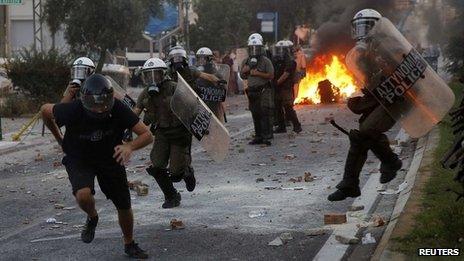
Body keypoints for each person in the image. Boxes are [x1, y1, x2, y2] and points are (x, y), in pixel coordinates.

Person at [40, 74, 153, 259]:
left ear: (110, 98)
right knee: (83, 195)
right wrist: (58, 138)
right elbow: (45, 110)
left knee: (124, 204)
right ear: (84, 100)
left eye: (103, 104)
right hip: (79, 158)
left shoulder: (118, 108)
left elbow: (147, 134)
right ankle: (93, 217)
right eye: (94, 105)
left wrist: (129, 146)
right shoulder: (73, 109)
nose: (99, 109)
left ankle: (129, 243)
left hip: (110, 158)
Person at [328, 9, 402, 201]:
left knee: (363, 133)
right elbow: (372, 83)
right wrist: (363, 101)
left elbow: (391, 76)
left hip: (399, 98)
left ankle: (354, 181)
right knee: (364, 133)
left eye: (368, 27)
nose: (363, 32)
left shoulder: (388, 47)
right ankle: (384, 165)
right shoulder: (367, 51)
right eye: (360, 27)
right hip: (386, 98)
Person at [134, 58, 196, 209]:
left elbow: (193, 106)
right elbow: (135, 112)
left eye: (156, 74)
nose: (152, 78)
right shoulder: (146, 94)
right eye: (149, 75)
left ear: (164, 74)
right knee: (157, 166)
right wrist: (125, 126)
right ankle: (171, 196)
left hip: (179, 134)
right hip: (162, 133)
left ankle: (187, 170)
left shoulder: (174, 88)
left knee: (175, 174)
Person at [240, 37, 275, 146]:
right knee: (255, 114)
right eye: (252, 48)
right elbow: (242, 76)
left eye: (257, 48)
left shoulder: (266, 61)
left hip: (263, 90)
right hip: (252, 91)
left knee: (265, 113)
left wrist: (258, 73)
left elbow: (271, 75)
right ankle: (258, 136)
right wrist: (244, 71)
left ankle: (266, 136)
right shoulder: (246, 61)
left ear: (261, 48)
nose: (254, 50)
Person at [272, 40, 302, 134]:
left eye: (283, 50)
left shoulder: (291, 62)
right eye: (279, 49)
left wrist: (276, 83)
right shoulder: (276, 60)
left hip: (286, 88)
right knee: (278, 107)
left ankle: (297, 125)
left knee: (288, 107)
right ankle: (281, 127)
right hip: (277, 87)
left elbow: (286, 74)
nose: (280, 51)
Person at [195, 47, 227, 122]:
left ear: (209, 59)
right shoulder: (196, 73)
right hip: (199, 104)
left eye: (203, 58)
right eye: (199, 58)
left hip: (212, 105)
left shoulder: (215, 73)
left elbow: (222, 92)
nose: (201, 61)